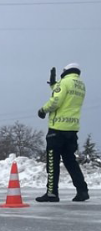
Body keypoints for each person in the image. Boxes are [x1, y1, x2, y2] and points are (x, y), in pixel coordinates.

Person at [36, 63, 89, 202]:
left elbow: (56, 100)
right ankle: (82, 191)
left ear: (65, 71)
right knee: (70, 161)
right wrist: (54, 85)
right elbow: (66, 96)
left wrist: (43, 110)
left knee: (53, 161)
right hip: (72, 129)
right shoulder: (81, 85)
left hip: (57, 129)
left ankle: (52, 193)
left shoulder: (64, 82)